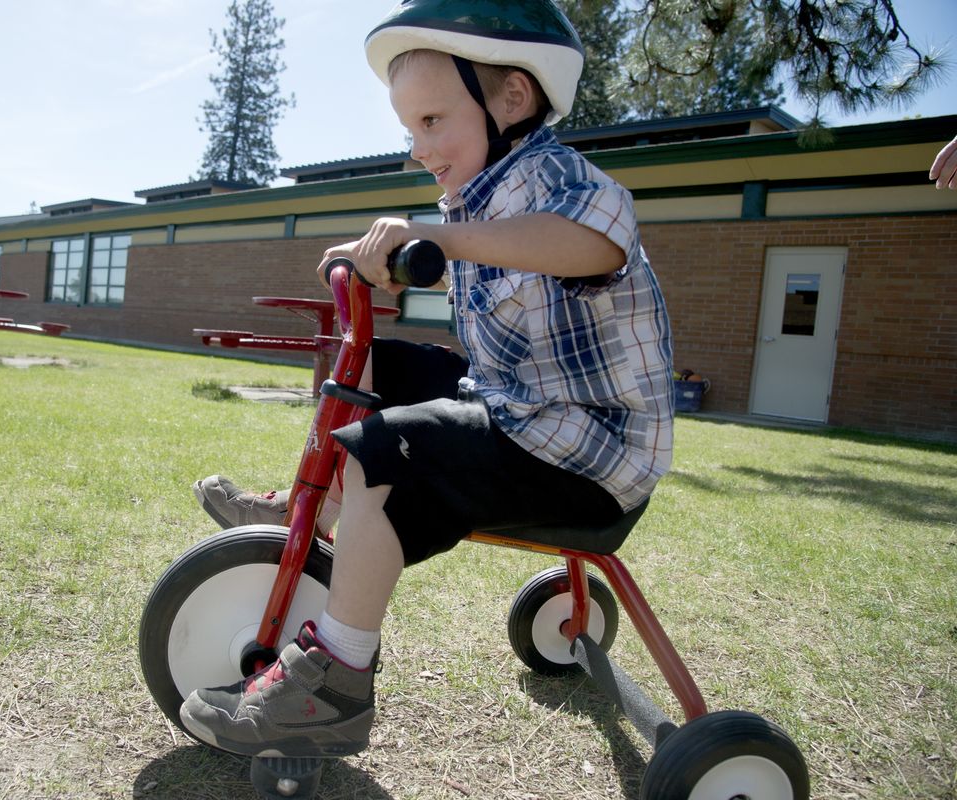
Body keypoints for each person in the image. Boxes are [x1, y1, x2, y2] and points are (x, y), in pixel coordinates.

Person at [179, 0, 674, 760]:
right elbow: (452, 262)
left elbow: (596, 239)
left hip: (592, 455)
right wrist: (366, 258)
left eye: (434, 122)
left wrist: (433, 235)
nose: (419, 148)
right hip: (522, 413)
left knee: (392, 446)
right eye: (411, 130)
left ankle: (336, 684)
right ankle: (312, 507)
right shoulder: (474, 203)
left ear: (511, 99)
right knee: (382, 364)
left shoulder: (553, 179)